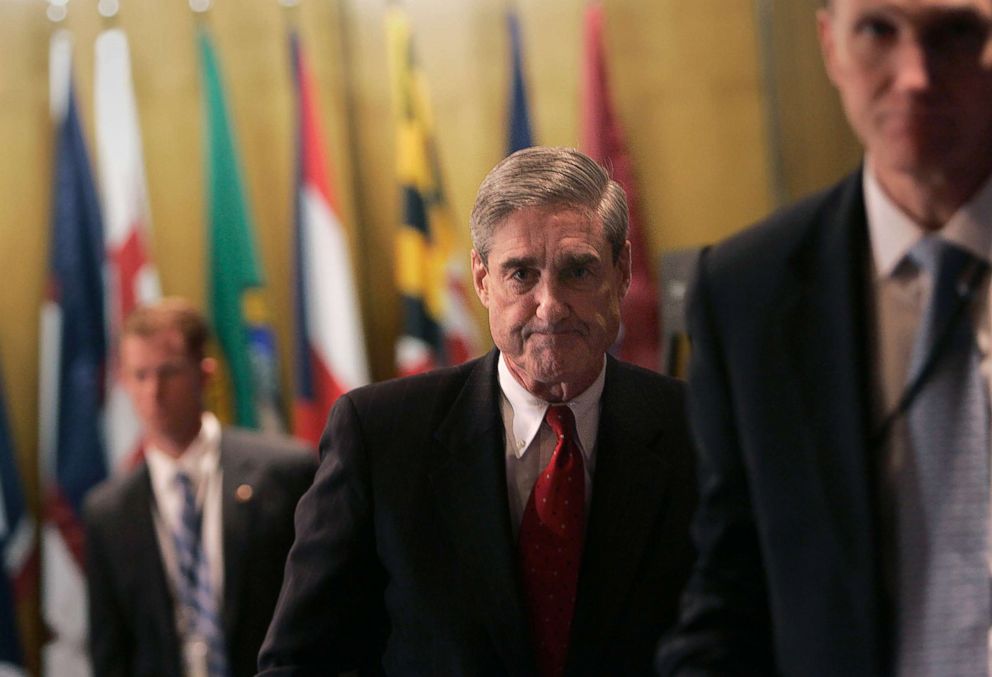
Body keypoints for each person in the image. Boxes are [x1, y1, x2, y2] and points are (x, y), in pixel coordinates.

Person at [258, 146, 696, 676]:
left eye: (578, 271)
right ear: (482, 279)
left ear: (622, 271)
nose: (550, 304)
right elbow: (302, 662)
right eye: (521, 274)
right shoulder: (381, 437)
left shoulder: (697, 430)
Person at [657, 0, 992, 675]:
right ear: (829, 45)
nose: (916, 75)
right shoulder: (746, 293)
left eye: (958, 33)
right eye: (878, 30)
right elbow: (733, 590)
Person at [84, 298, 317, 677]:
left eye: (169, 372)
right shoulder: (108, 511)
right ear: (124, 382)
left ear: (205, 374)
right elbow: (110, 649)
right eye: (140, 375)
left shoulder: (285, 472)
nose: (153, 391)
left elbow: (320, 608)